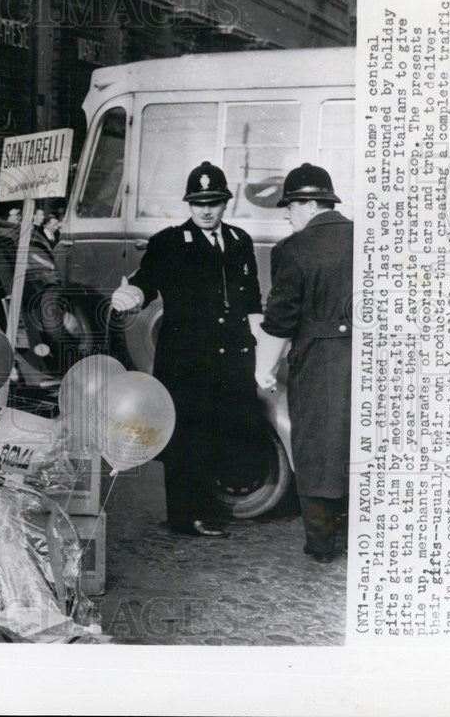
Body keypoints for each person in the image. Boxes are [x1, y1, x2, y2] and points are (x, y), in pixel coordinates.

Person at [111, 161, 265, 537]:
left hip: (231, 358)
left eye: (213, 202)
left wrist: (261, 346)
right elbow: (146, 281)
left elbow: (253, 300)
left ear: (225, 202)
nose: (206, 210)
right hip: (187, 361)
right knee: (186, 436)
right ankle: (184, 516)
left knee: (219, 431)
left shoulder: (240, 240)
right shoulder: (168, 243)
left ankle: (206, 507)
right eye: (198, 203)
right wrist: (132, 294)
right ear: (188, 204)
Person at [254, 163, 353, 563]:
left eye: (290, 206)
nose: (287, 214)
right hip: (368, 360)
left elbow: (279, 322)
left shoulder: (292, 250)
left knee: (315, 450)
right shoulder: (369, 238)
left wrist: (264, 371)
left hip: (319, 361)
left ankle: (322, 545)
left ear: (309, 204)